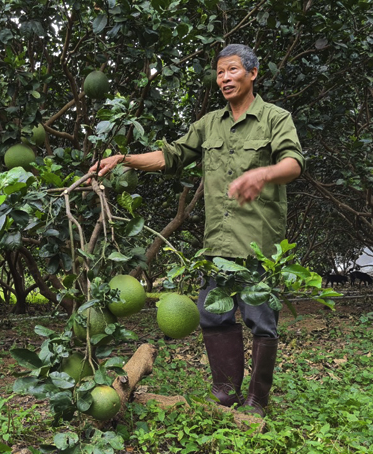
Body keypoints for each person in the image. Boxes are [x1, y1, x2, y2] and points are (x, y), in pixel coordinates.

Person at [88, 44, 305, 417]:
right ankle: (225, 391)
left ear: (253, 73)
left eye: (232, 70)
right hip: (217, 243)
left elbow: (293, 162)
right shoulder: (209, 123)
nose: (224, 78)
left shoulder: (275, 118)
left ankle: (257, 400)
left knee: (260, 320)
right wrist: (123, 159)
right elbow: (169, 156)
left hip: (258, 241)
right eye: (219, 72)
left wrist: (264, 173)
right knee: (212, 316)